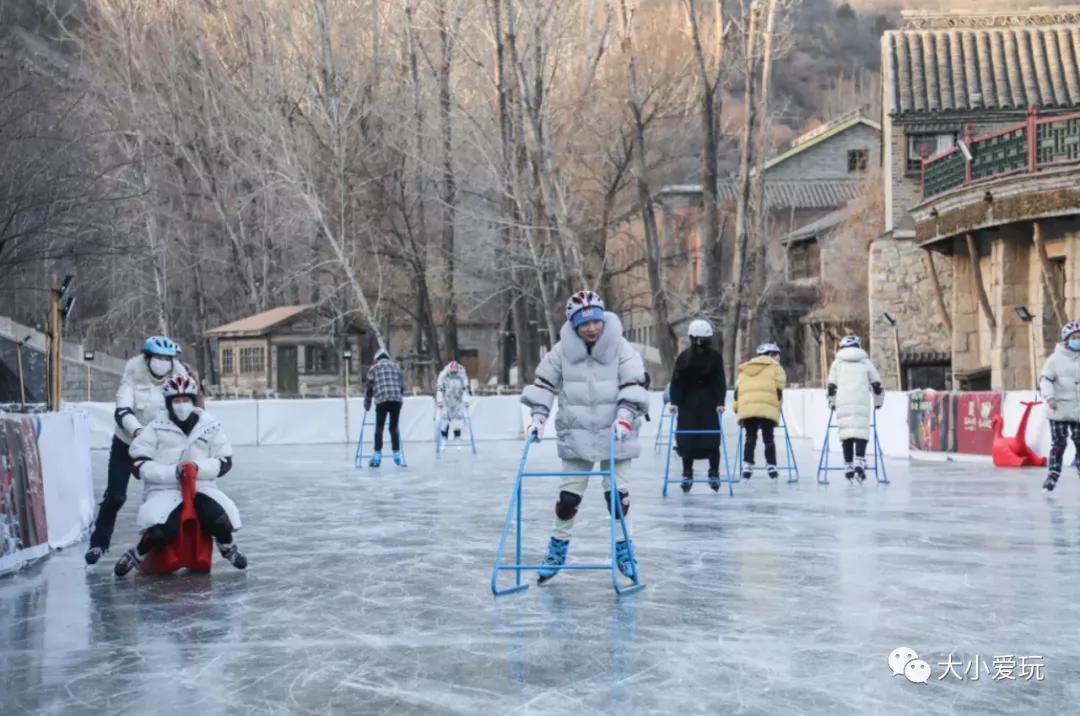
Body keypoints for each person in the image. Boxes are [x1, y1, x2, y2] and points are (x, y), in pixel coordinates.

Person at [521, 290, 649, 584]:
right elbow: (543, 385)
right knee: (567, 499)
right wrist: (538, 417)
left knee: (618, 498)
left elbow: (634, 382)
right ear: (574, 325)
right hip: (576, 435)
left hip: (617, 435)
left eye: (595, 322)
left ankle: (624, 552)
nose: (591, 328)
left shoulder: (620, 347)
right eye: (584, 323)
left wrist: (626, 417)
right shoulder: (560, 351)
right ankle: (556, 552)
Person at [113, 375, 246, 576]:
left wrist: (197, 468)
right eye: (176, 401)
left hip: (202, 486)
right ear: (168, 403)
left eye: (186, 400)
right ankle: (138, 553)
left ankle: (228, 547)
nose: (182, 405)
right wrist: (172, 472)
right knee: (162, 531)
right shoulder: (155, 427)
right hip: (164, 489)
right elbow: (138, 462)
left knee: (218, 519)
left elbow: (225, 460)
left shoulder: (210, 426)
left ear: (193, 401)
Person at [85, 336, 190, 565]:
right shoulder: (132, 375)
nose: (163, 363)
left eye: (167, 359)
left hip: (160, 447)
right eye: (158, 358)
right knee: (115, 495)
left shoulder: (179, 377)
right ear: (148, 358)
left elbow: (186, 409)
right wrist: (138, 432)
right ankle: (98, 544)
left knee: (166, 495)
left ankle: (162, 545)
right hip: (127, 441)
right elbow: (122, 410)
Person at [669, 319, 727, 492]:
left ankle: (714, 471)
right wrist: (675, 402)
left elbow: (719, 381)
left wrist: (720, 402)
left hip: (708, 404)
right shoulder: (684, 358)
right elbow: (677, 382)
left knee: (711, 439)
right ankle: (687, 472)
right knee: (688, 440)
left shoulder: (715, 357)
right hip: (689, 405)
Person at [827, 335, 884, 482]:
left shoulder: (837, 363)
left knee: (846, 434)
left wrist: (832, 403)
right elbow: (877, 384)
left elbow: (831, 387)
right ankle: (859, 461)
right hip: (861, 400)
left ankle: (848, 466)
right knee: (860, 432)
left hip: (843, 401)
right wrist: (878, 402)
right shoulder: (866, 362)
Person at [734, 343, 787, 480]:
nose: (779, 358)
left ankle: (747, 465)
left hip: (748, 408)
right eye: (777, 355)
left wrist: (737, 409)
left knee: (750, 437)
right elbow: (779, 389)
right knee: (768, 438)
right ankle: (771, 465)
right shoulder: (776, 368)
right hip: (767, 407)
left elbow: (737, 392)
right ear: (771, 355)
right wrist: (778, 406)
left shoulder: (745, 368)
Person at [1039, 321, 1080, 492]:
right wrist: (1050, 398)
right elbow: (1045, 380)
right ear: (1067, 339)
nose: (1077, 340)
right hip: (1059, 408)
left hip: (1078, 410)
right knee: (1059, 443)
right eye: (1074, 337)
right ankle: (1053, 475)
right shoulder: (1055, 359)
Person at [364, 349, 405, 467]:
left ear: (377, 359)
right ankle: (397, 455)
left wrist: (367, 403)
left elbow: (369, 387)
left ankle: (377, 456)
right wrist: (398, 395)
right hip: (396, 400)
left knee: (379, 428)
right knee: (393, 427)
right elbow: (402, 385)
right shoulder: (396, 367)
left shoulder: (374, 368)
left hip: (382, 400)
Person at [435, 360, 471, 441]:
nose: (454, 375)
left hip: (457, 399)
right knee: (444, 417)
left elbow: (465, 389)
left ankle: (457, 435)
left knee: (458, 417)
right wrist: (440, 400)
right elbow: (439, 389)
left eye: (455, 373)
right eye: (452, 373)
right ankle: (444, 435)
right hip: (446, 399)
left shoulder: (462, 373)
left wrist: (466, 400)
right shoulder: (443, 375)